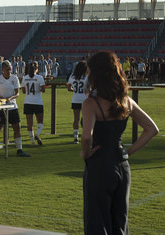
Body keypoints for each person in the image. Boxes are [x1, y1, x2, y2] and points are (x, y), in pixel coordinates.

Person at [81, 51, 158, 235]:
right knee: (120, 221)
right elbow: (152, 129)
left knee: (97, 222)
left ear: (96, 74)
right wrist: (128, 152)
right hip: (122, 165)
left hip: (99, 165)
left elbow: (86, 136)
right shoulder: (126, 101)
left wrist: (85, 153)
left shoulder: (91, 104)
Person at [0, 60, 30, 157]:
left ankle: (19, 149)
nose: (9, 71)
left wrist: (11, 98)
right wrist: (2, 98)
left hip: (13, 106)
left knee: (17, 127)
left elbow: (17, 93)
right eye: (7, 69)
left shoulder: (14, 78)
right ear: (3, 69)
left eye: (10, 69)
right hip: (1, 108)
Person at [21, 61, 45, 145]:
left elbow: (23, 91)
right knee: (40, 121)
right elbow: (43, 89)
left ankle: (32, 141)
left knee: (29, 123)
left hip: (27, 102)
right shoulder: (40, 77)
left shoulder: (24, 78)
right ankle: (37, 134)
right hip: (38, 101)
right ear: (37, 69)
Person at [67, 61, 88, 144]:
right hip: (85, 99)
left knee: (76, 119)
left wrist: (74, 90)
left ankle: (75, 137)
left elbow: (69, 87)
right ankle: (85, 136)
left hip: (75, 99)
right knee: (86, 119)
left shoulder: (72, 76)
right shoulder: (87, 76)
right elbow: (90, 88)